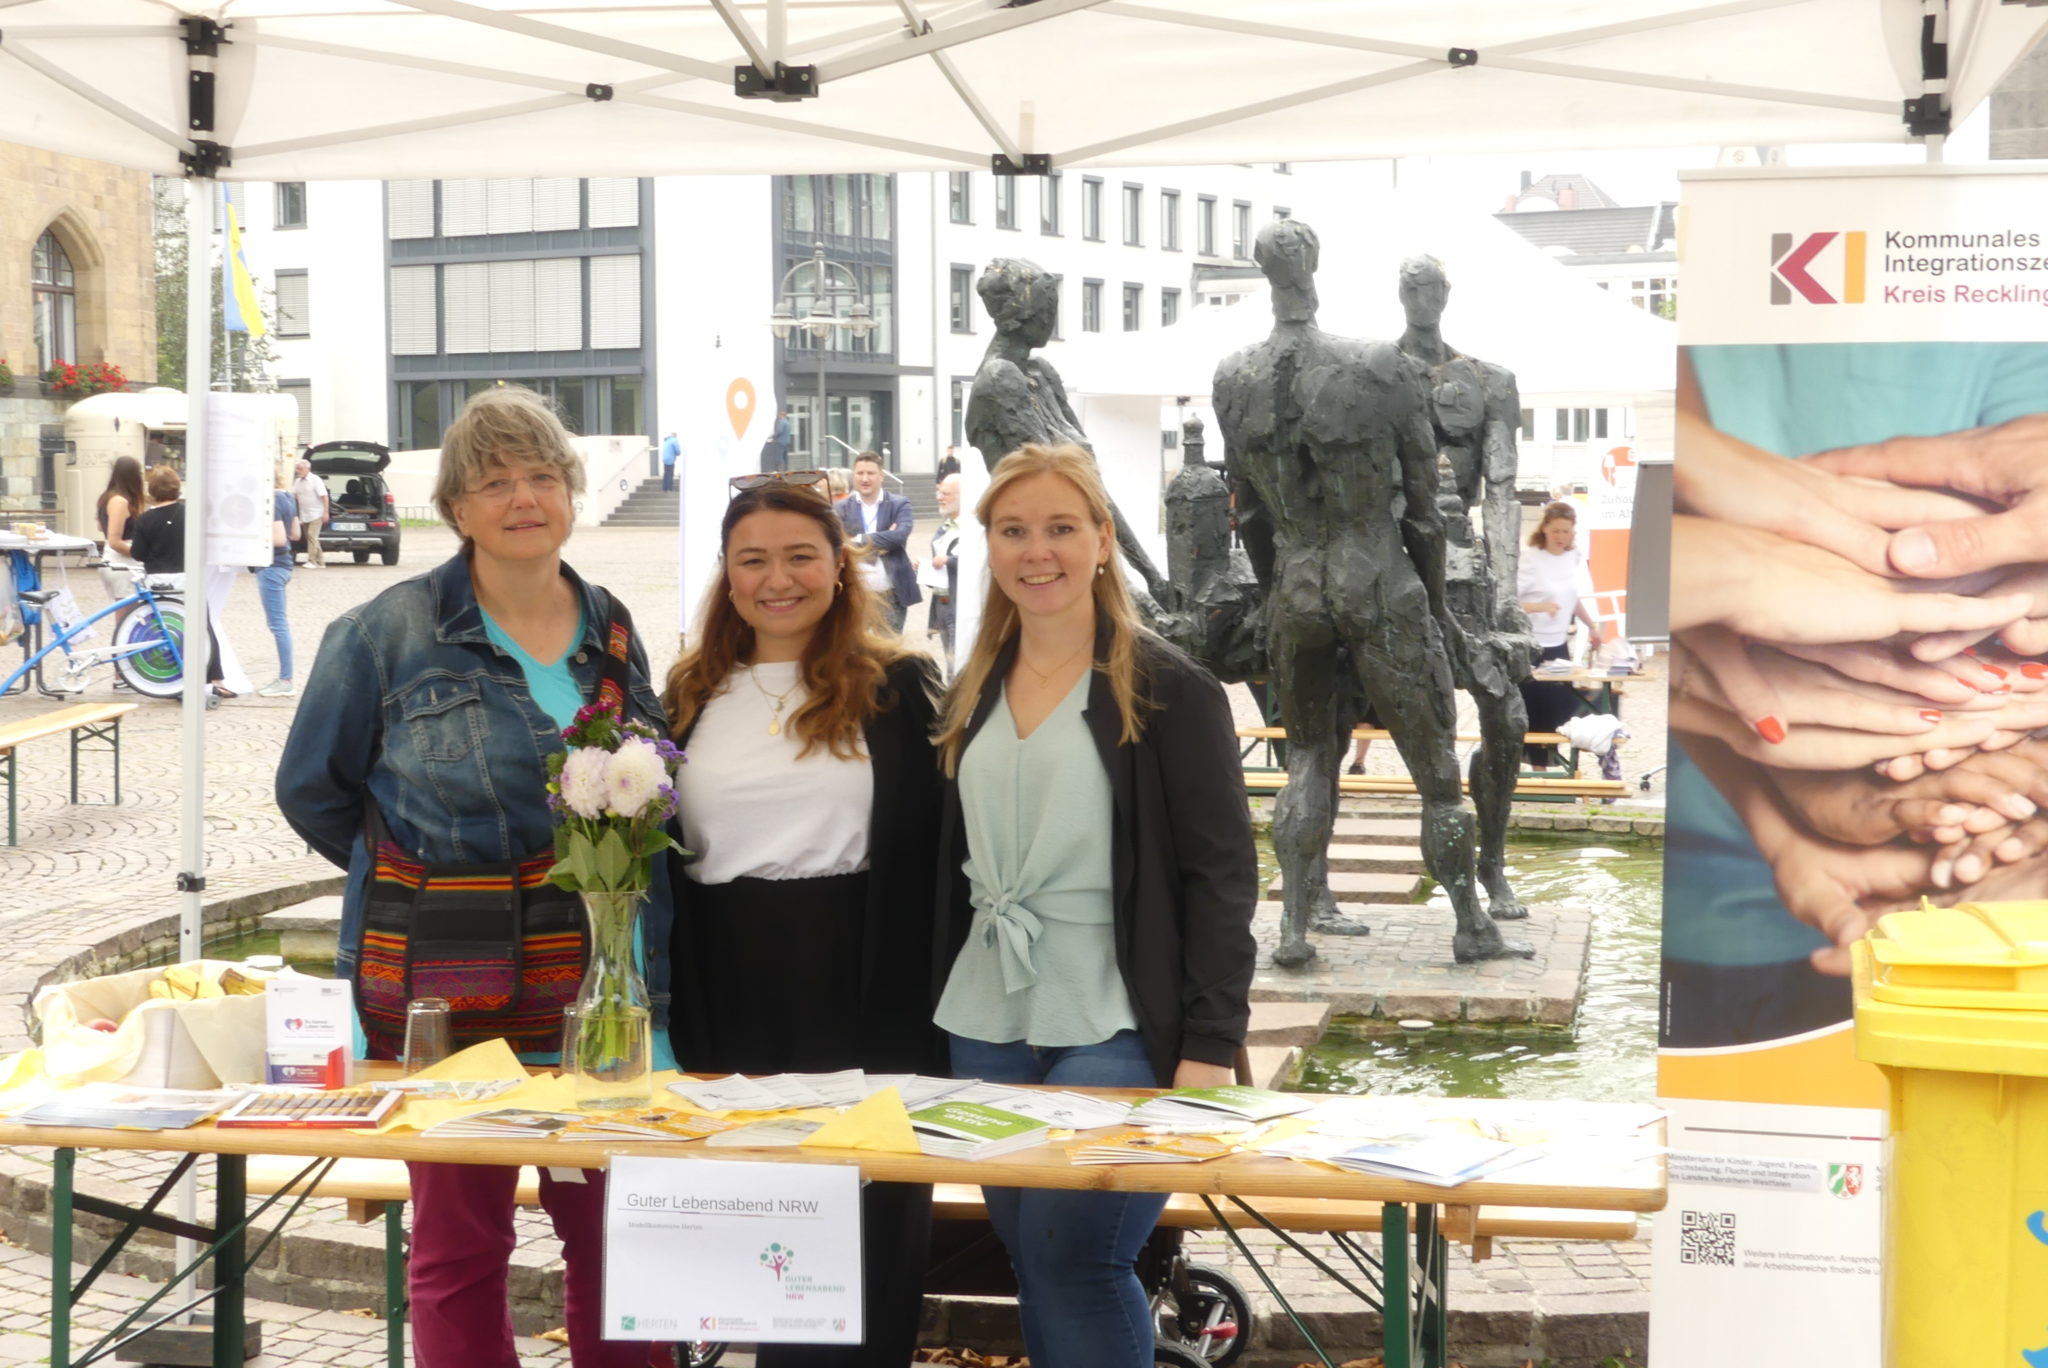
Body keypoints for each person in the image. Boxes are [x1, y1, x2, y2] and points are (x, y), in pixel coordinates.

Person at [275, 387, 668, 1368]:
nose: (523, 498)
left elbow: (651, 787)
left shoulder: (612, 626)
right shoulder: (383, 635)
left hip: (597, 981)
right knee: (459, 1242)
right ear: (456, 506)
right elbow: (313, 790)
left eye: (541, 476)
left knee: (619, 1233)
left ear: (570, 491)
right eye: (495, 482)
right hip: (447, 988)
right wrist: (425, 876)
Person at [933, 442, 1257, 1368]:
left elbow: (1222, 876)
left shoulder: (1169, 688)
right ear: (989, 545)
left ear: (1103, 539)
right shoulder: (972, 688)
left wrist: (1209, 1045)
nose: (1037, 551)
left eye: (1061, 528)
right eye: (1013, 530)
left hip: (1118, 1017)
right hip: (988, 1017)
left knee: (1076, 1258)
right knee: (1034, 1261)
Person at [662, 473, 941, 1368]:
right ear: (727, 573)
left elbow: (938, 846)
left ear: (839, 565)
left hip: (863, 978)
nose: (776, 579)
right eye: (752, 560)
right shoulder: (690, 692)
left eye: (799, 557)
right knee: (758, 1244)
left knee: (864, 1242)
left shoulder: (899, 684)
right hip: (726, 986)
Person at [126, 465, 230, 704]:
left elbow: (138, 553)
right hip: (187, 580)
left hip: (158, 583)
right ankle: (216, 680)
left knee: (165, 630)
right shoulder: (191, 515)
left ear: (152, 490)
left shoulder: (144, 520)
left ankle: (171, 679)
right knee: (203, 628)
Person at [1516, 501, 1604, 766]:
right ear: (1544, 529)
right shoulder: (1530, 558)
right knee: (1535, 710)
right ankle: (1537, 768)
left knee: (1560, 708)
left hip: (1558, 645)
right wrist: (1540, 606)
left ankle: (1554, 766)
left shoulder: (1573, 557)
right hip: (1532, 644)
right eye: (1556, 530)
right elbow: (1510, 601)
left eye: (1566, 531)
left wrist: (1591, 625)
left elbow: (1572, 598)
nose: (1561, 537)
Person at [837, 451, 919, 633]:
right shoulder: (841, 508)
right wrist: (884, 540)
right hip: (856, 594)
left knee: (890, 646)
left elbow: (900, 535)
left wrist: (858, 540)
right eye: (860, 473)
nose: (865, 479)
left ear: (881, 475)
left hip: (890, 594)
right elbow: (837, 542)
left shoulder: (899, 504)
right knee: (856, 645)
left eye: (870, 473)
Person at [255, 467, 299, 698]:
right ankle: (285, 678)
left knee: (278, 625)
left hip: (271, 566)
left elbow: (280, 539)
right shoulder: (287, 497)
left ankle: (285, 680)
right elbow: (296, 534)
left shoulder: (269, 500)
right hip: (285, 565)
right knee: (279, 624)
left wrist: (255, 538)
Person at [922, 472, 962, 672]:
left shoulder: (974, 529)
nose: (939, 497)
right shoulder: (944, 528)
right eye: (939, 492)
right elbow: (940, 570)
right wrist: (925, 570)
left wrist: (949, 560)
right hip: (941, 604)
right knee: (950, 661)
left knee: (958, 663)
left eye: (946, 493)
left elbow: (978, 561)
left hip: (960, 605)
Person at [94, 456, 145, 602]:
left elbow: (100, 526)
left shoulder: (106, 498)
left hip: (113, 560)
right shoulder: (120, 501)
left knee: (130, 611)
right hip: (122, 563)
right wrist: (140, 553)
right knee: (127, 611)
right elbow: (115, 541)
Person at [291, 456, 328, 568]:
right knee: (311, 538)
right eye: (297, 469)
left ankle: (312, 561)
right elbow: (293, 495)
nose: (298, 471)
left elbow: (324, 496)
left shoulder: (316, 480)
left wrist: (325, 512)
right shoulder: (297, 481)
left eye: (300, 469)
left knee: (312, 536)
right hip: (304, 514)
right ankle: (320, 562)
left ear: (308, 469)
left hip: (316, 513)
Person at [772, 405, 794, 472]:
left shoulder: (781, 422)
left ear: (781, 415)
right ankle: (786, 468)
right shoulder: (788, 422)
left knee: (779, 455)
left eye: (779, 415)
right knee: (785, 456)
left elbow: (779, 431)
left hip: (781, 441)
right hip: (787, 441)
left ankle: (777, 469)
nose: (778, 417)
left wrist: (774, 436)